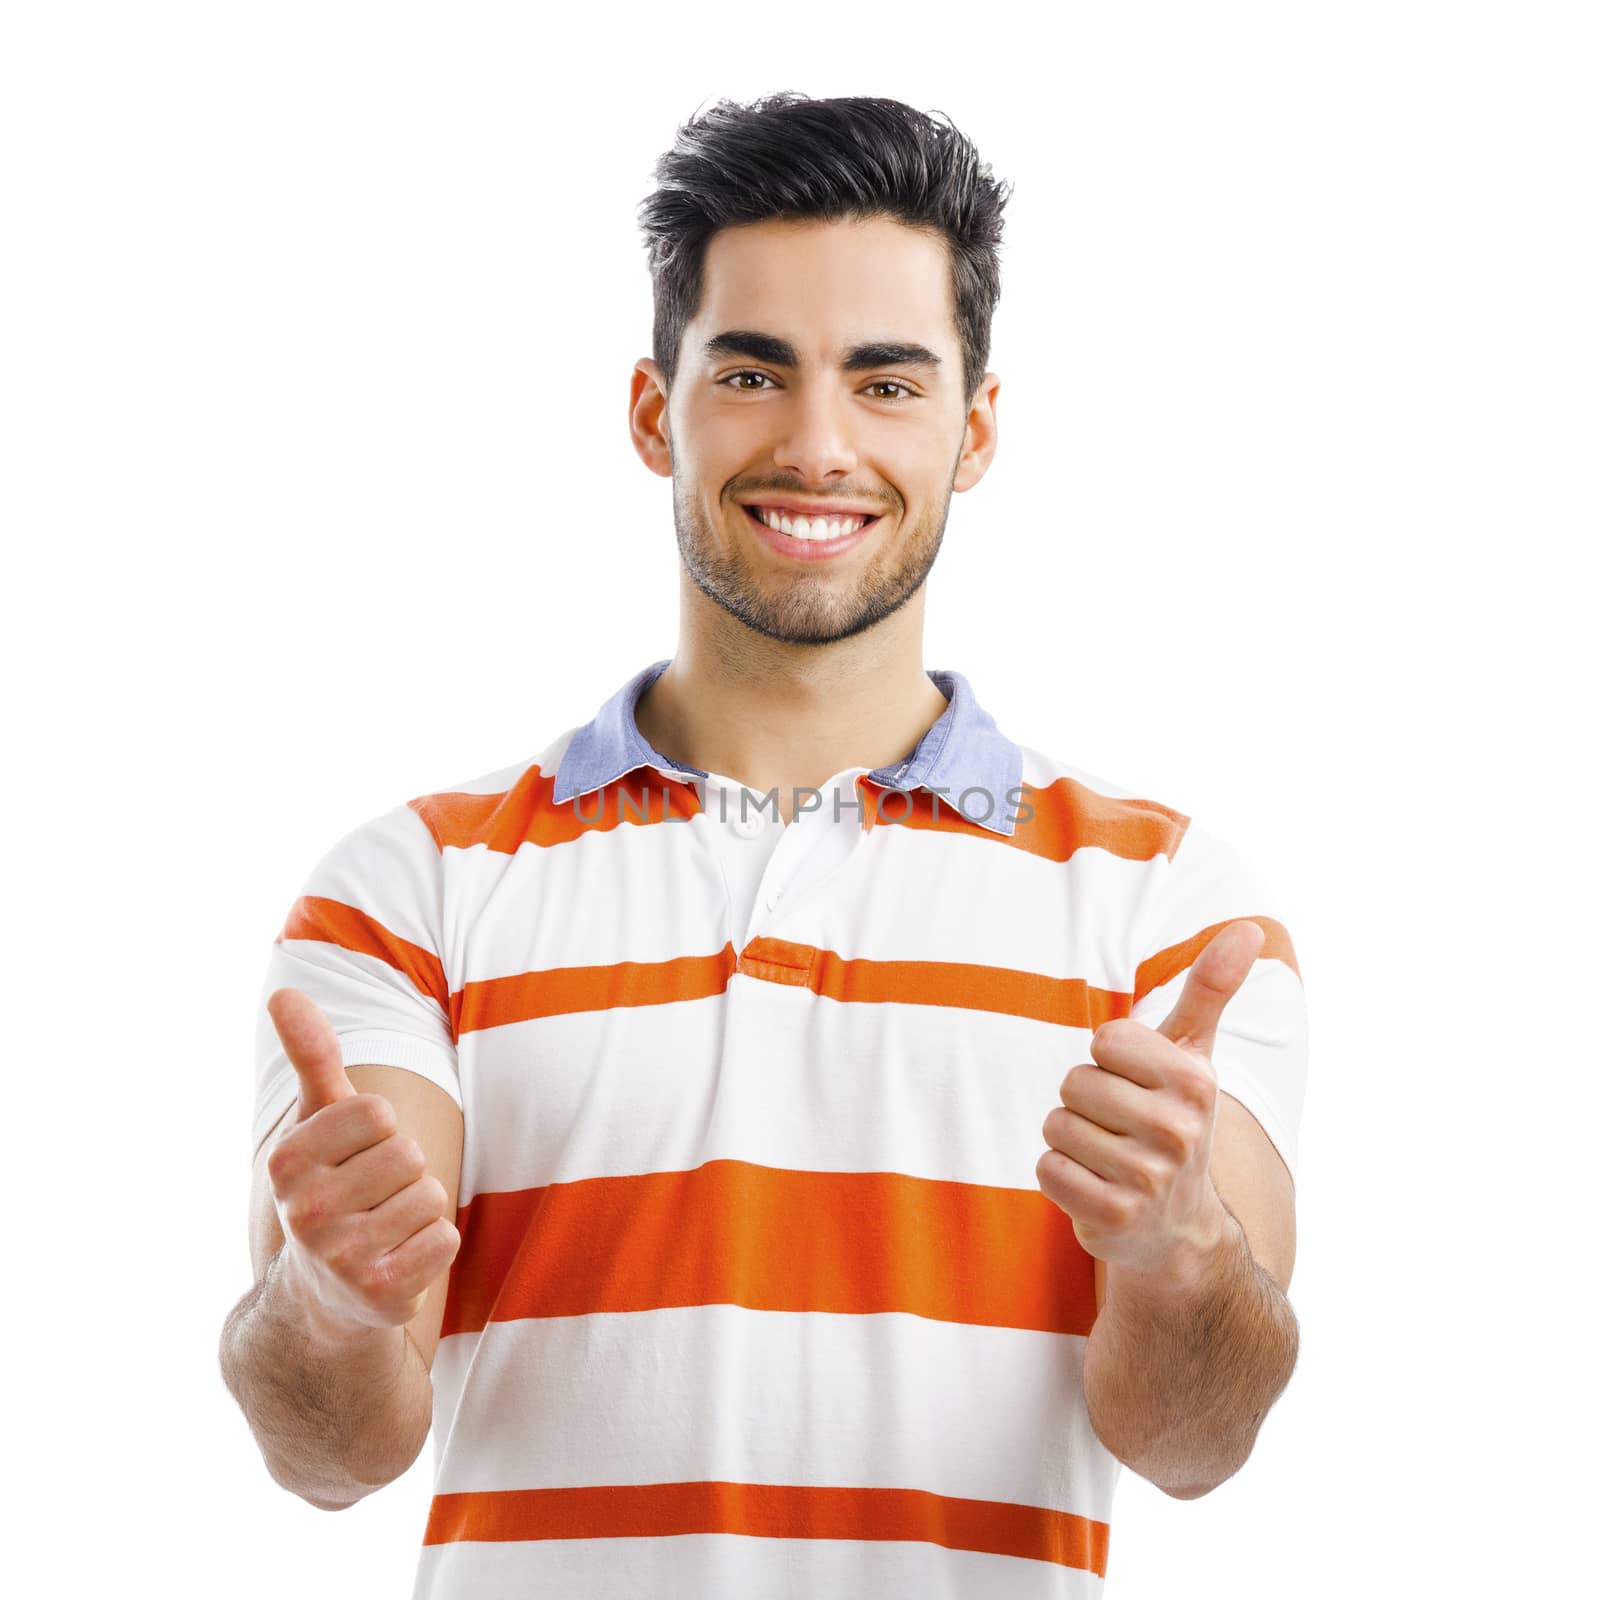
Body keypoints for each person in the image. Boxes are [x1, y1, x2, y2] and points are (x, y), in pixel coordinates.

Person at [219, 92, 1307, 1598]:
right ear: (656, 410)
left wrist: (1183, 1246)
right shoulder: (410, 889)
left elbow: (1195, 1444)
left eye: (887, 383)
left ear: (973, 430)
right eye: (752, 371)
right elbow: (330, 1453)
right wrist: (331, 1309)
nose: (816, 447)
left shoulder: (1169, 904)